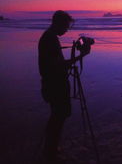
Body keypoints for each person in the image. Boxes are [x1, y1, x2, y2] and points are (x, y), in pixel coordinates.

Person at [38, 10, 90, 162]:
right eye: (66, 26)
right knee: (59, 116)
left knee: (57, 115)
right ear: (57, 23)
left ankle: (50, 148)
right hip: (55, 85)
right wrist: (81, 55)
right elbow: (59, 66)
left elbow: (56, 64)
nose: (67, 30)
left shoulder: (49, 37)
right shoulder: (49, 39)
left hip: (52, 83)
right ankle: (50, 152)